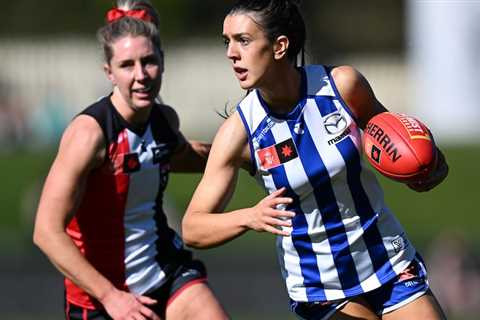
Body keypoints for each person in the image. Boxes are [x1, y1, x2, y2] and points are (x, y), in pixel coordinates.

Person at [181, 0, 449, 319]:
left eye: (243, 40)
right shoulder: (239, 133)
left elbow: (399, 142)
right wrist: (249, 217)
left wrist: (426, 166)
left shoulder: (342, 86)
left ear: (280, 46)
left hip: (388, 261)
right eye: (227, 42)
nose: (231, 53)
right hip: (322, 286)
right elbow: (193, 227)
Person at [33, 1, 229, 319]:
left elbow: (181, 156)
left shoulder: (163, 121)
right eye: (127, 65)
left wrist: (247, 155)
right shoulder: (89, 134)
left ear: (162, 62)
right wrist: (112, 297)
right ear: (109, 72)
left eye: (149, 61)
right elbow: (46, 231)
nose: (141, 76)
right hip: (101, 299)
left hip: (165, 273)